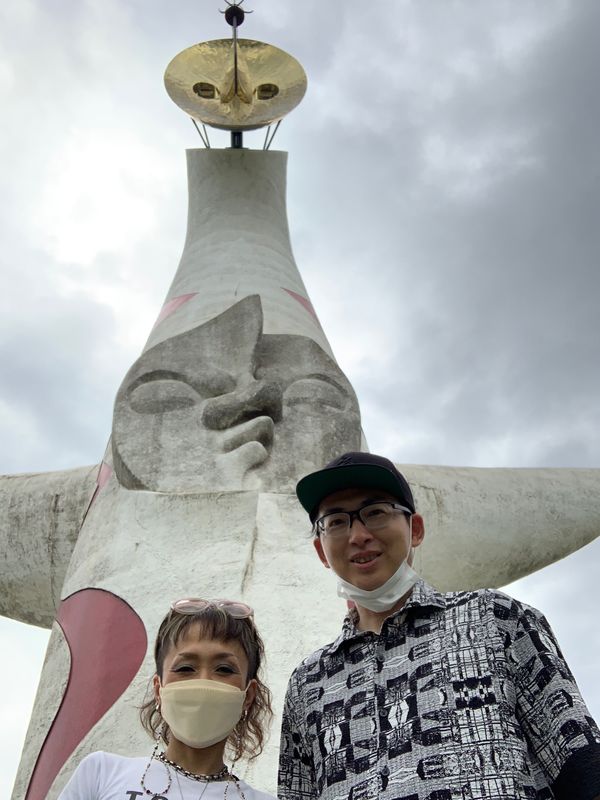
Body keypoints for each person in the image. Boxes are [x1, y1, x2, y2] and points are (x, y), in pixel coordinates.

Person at [278, 451, 600, 800]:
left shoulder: (497, 617)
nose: (358, 535)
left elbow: (581, 764)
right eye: (337, 521)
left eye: (375, 512)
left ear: (415, 529)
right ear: (321, 552)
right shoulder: (307, 682)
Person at [59, 598, 276, 800]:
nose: (203, 681)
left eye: (224, 669)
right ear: (158, 689)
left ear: (248, 695)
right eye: (185, 668)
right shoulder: (101, 772)